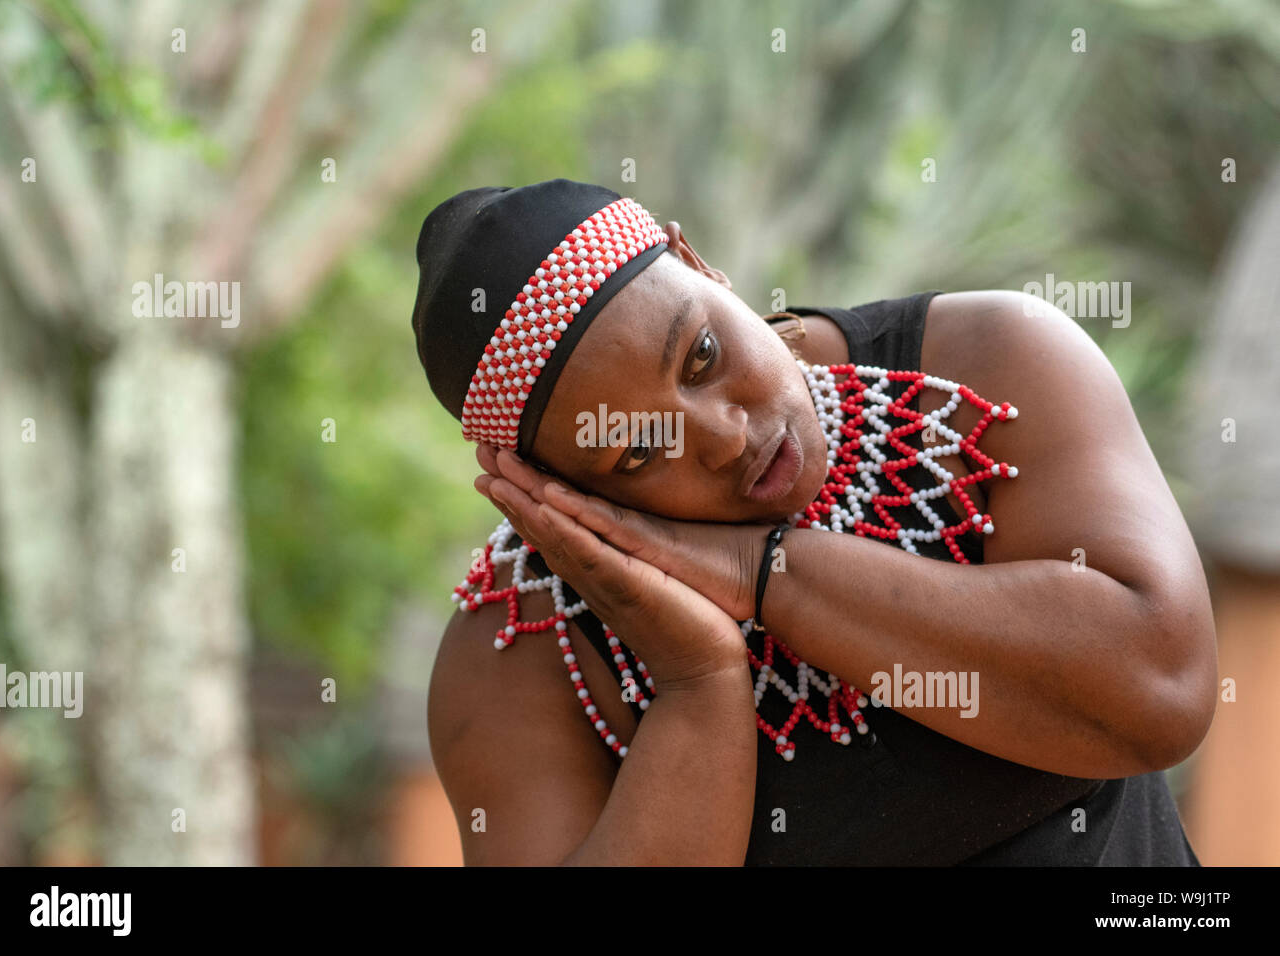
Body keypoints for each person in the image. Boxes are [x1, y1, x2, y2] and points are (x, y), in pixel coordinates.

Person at [412, 178, 1216, 865]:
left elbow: (1162, 689)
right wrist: (698, 683)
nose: (726, 438)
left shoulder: (983, 366)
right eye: (636, 454)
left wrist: (763, 574)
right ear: (555, 487)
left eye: (701, 357)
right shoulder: (518, 651)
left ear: (698, 265)